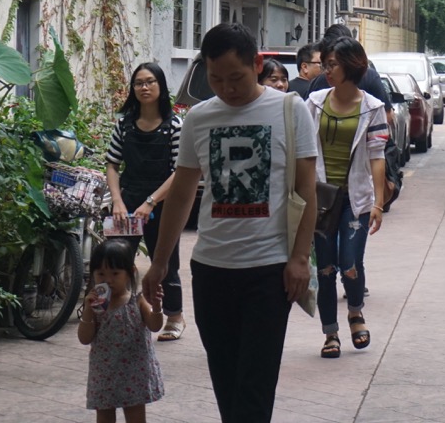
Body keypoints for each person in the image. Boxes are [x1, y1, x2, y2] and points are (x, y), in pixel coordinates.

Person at [142, 23, 318, 423]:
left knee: (254, 387)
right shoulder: (199, 118)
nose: (226, 88)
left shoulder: (290, 111)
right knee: (225, 382)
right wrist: (160, 262)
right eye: (216, 79)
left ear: (256, 64)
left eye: (235, 77)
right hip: (211, 271)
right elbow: (182, 193)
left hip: (269, 272)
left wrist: (299, 258)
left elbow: (306, 191)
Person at [305, 36, 387, 360]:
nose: (327, 70)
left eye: (333, 65)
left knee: (350, 263)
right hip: (321, 197)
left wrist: (378, 203)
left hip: (357, 198)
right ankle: (330, 333)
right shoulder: (314, 103)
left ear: (351, 66)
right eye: (325, 64)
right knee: (325, 268)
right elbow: (302, 149)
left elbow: (377, 156)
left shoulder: (373, 107)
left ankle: (355, 310)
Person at [105, 62, 186, 341]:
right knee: (116, 259)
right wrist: (117, 201)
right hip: (127, 202)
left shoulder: (174, 126)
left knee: (165, 261)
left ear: (161, 86)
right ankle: (115, 314)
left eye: (150, 81)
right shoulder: (124, 124)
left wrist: (151, 201)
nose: (144, 87)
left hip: (162, 204)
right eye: (139, 83)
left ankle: (174, 317)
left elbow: (179, 171)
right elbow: (112, 164)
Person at [79, 239, 165, 423]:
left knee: (135, 416)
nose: (107, 280)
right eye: (101, 274)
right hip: (104, 373)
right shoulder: (97, 306)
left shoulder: (137, 301)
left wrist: (157, 307)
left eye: (115, 273)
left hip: (134, 373)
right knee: (104, 416)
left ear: (130, 272)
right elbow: (84, 338)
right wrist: (87, 310)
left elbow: (154, 325)